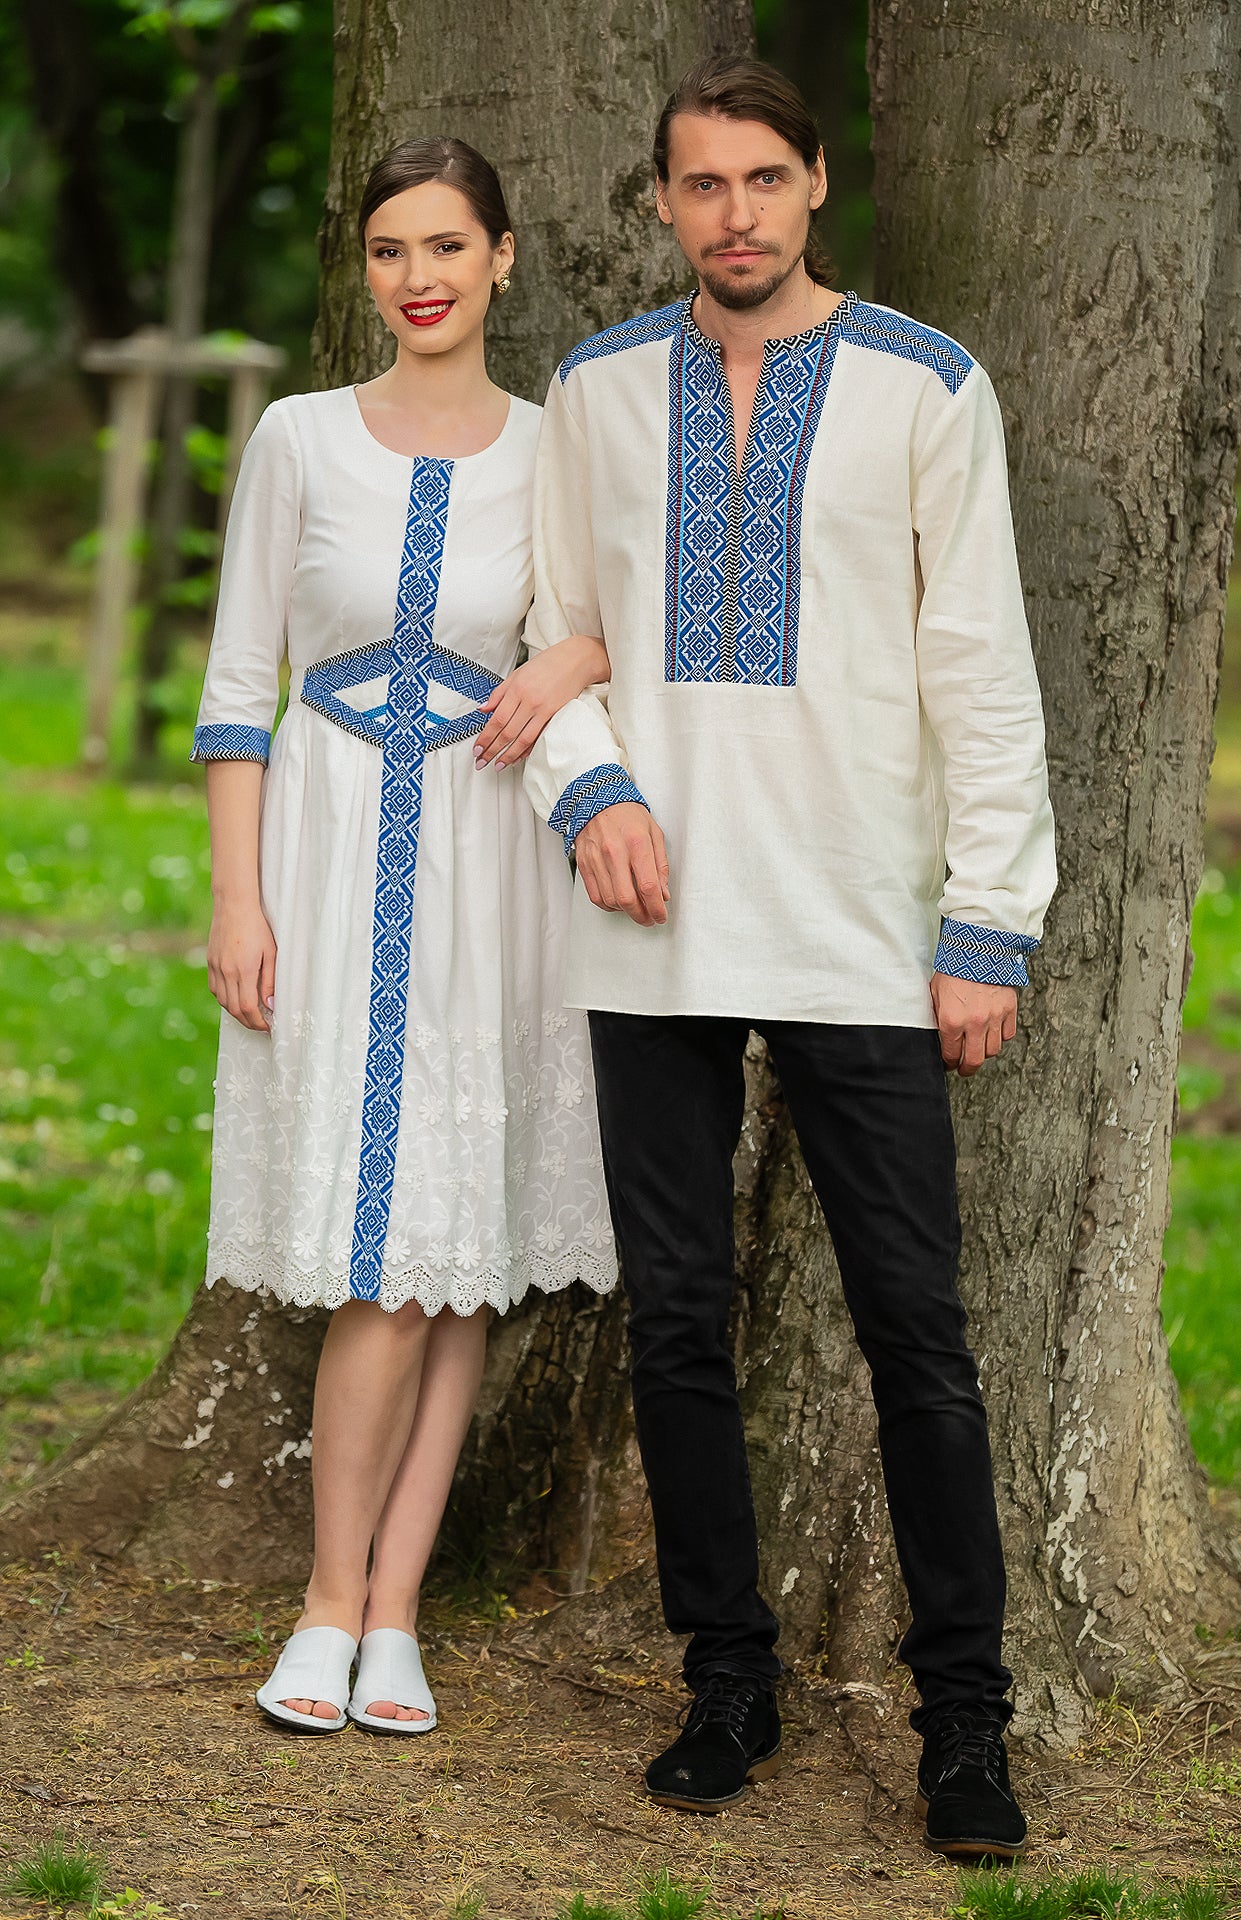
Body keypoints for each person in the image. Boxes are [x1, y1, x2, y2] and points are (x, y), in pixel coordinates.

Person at [522, 57, 1056, 1860]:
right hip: (650, 923)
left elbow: (981, 663)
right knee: (676, 1322)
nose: (734, 212)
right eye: (702, 183)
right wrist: (590, 787)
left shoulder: (925, 383)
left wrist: (986, 922)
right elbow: (551, 629)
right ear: (664, 200)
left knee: (919, 1332)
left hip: (859, 921)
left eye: (764, 178)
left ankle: (964, 1723)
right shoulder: (595, 387)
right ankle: (726, 1683)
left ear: (817, 182)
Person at [192, 136, 616, 1736]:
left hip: (489, 869)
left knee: (461, 1254)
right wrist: (238, 896)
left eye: (446, 246)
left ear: (502, 258)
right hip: (322, 857)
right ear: (364, 272)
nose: (418, 277)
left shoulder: (554, 451)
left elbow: (604, 621)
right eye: (389, 251)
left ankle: (394, 1615)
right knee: (381, 1259)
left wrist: (570, 660)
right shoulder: (297, 439)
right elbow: (237, 687)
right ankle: (324, 1603)